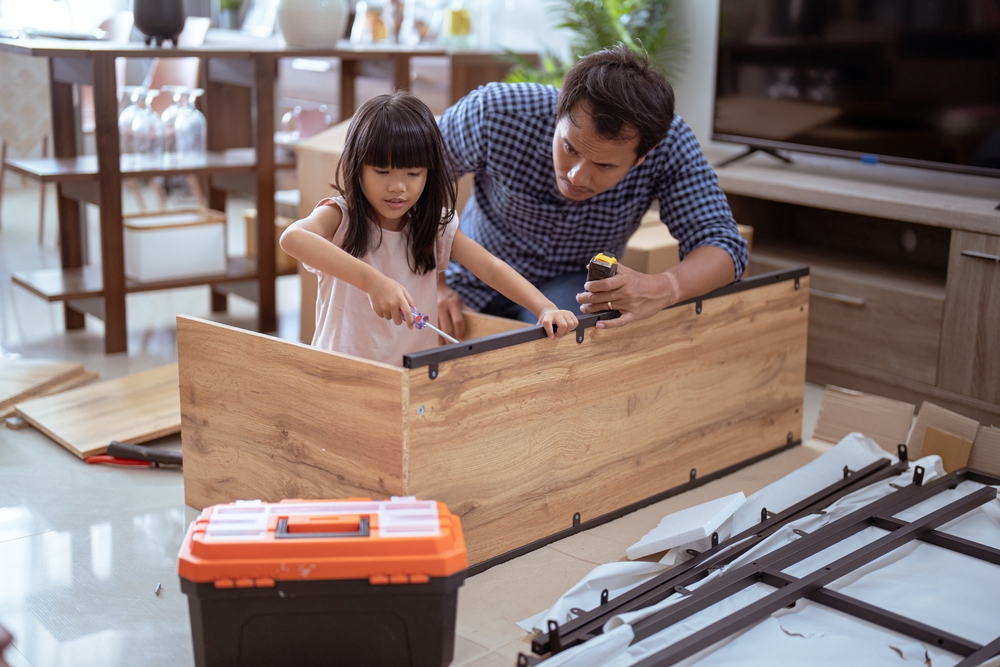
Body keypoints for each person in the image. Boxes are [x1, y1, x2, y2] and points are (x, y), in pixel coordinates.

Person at [436, 44, 748, 339]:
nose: (576, 175)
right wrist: (433, 282)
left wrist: (665, 286)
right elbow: (409, 183)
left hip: (571, 287)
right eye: (569, 147)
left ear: (643, 156)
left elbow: (724, 245)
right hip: (467, 277)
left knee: (574, 343)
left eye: (604, 166)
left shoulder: (670, 146)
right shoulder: (495, 113)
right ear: (559, 111)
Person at [280, 91, 579, 365]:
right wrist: (373, 281)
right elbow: (293, 238)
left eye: (413, 173)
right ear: (357, 167)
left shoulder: (434, 225)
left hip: (413, 374)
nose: (397, 186)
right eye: (382, 171)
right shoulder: (341, 216)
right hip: (341, 371)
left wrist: (544, 308)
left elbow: (489, 266)